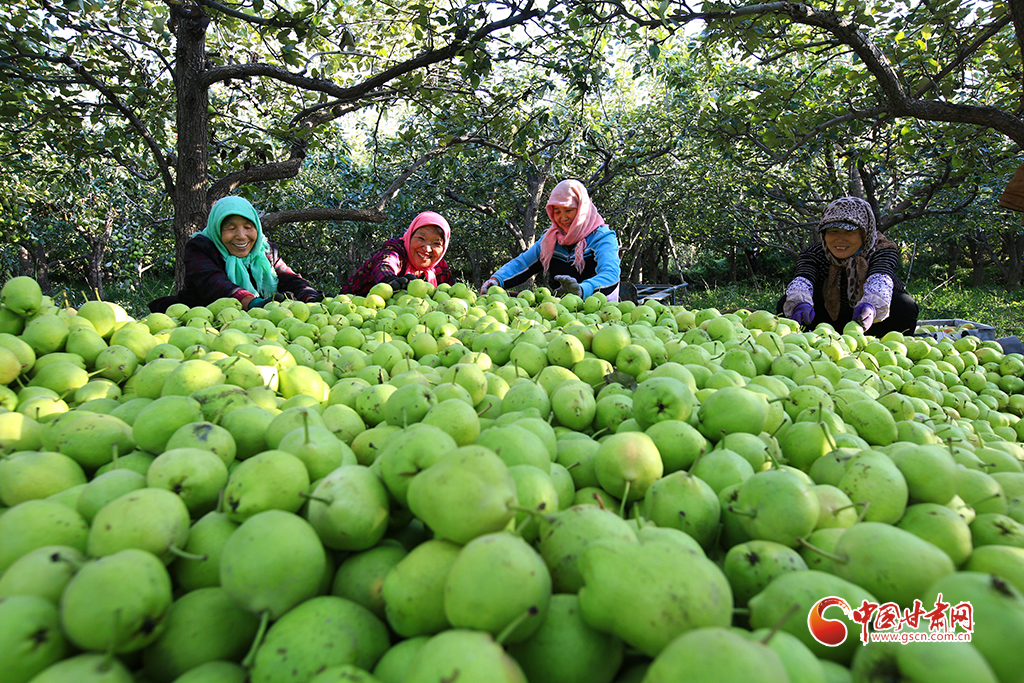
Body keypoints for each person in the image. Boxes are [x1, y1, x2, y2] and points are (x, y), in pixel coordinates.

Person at [148, 196, 323, 313]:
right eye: (231, 228)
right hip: (202, 321)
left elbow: (288, 277)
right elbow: (214, 283)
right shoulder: (201, 247)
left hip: (254, 327)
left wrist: (310, 296)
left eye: (248, 227)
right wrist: (251, 302)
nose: (241, 235)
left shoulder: (264, 250)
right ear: (217, 229)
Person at [778, 196, 918, 335]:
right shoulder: (815, 253)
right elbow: (803, 278)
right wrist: (800, 302)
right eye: (833, 231)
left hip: (870, 322)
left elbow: (880, 276)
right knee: (786, 303)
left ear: (864, 234)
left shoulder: (881, 250)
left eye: (849, 232)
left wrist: (871, 305)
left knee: (903, 305)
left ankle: (887, 346)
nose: (840, 239)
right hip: (828, 319)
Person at [481, 179, 620, 301]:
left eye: (569, 210)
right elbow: (523, 263)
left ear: (582, 209)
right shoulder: (551, 238)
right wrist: (496, 279)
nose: (563, 218)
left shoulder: (601, 237)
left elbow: (610, 274)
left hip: (600, 312)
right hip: (559, 313)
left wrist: (582, 290)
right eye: (557, 212)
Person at [338, 211, 453, 296]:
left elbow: (451, 294)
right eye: (421, 239)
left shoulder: (440, 268)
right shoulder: (396, 249)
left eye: (436, 243)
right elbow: (385, 264)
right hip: (354, 312)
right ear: (410, 236)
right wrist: (390, 281)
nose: (427, 249)